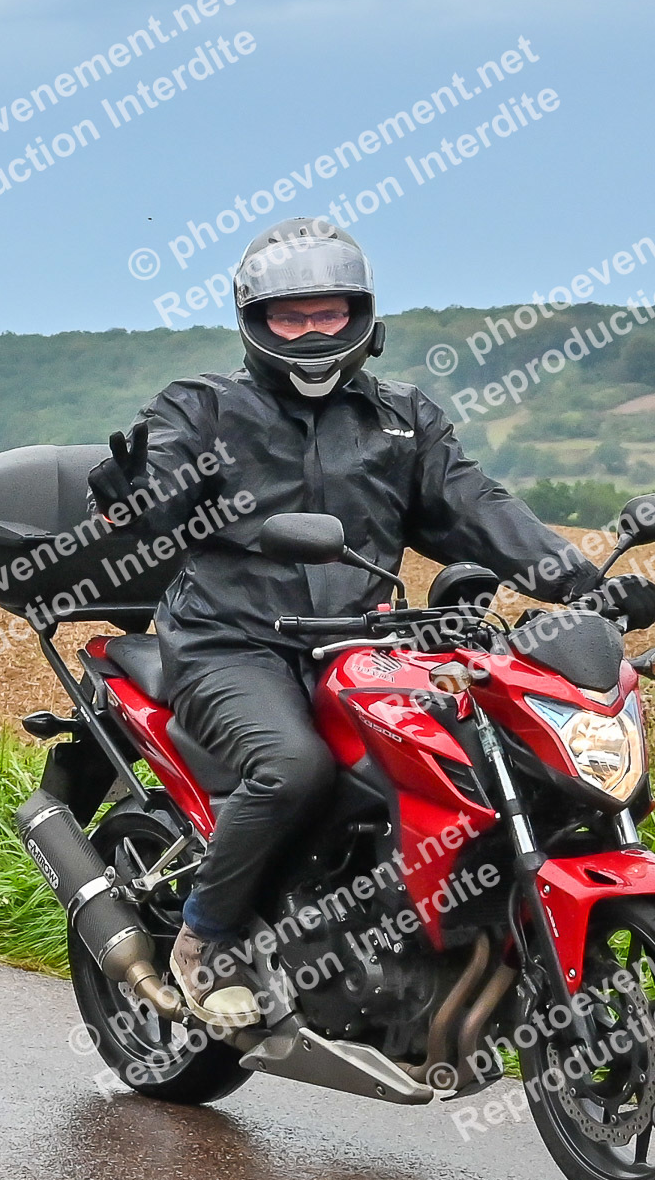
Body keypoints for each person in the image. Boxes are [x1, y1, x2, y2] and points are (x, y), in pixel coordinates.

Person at [88, 217, 601, 1029]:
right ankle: (206, 937)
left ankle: (430, 934)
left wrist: (580, 581)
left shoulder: (402, 418)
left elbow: (475, 506)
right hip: (233, 644)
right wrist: (128, 500)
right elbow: (161, 499)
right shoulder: (203, 408)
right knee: (292, 768)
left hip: (365, 646)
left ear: (360, 315)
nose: (312, 332)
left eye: (327, 313)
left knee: (470, 756)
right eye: (290, 317)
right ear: (255, 322)